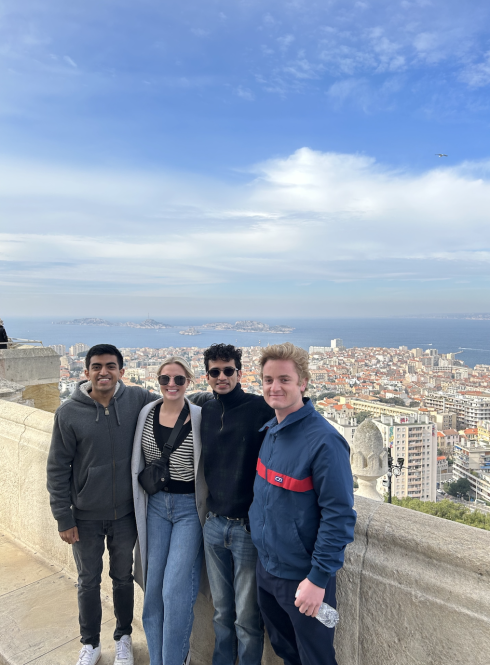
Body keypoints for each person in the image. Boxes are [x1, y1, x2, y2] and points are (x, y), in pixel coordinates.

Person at [47, 343, 159, 665]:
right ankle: (90, 643)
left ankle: (123, 636)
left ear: (121, 372)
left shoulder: (136, 399)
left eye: (110, 366)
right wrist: (63, 517)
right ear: (87, 372)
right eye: (96, 366)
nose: (103, 372)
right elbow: (57, 468)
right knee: (88, 581)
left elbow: (173, 403)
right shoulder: (69, 413)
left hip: (126, 514)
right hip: (84, 517)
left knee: (123, 578)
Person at [249, 343, 356, 665]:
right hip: (267, 568)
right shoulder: (272, 430)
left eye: (284, 379)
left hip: (303, 577)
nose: (274, 387)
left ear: (303, 383)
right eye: (268, 380)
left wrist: (318, 579)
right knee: (286, 651)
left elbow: (339, 516)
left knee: (316, 657)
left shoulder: (324, 441)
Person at [200, 343, 274, 665]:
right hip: (213, 524)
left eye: (228, 370)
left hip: (245, 527)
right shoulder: (204, 409)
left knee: (246, 618)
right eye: (215, 372)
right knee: (221, 613)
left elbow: (294, 415)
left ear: (239, 373)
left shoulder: (259, 408)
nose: (222, 377)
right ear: (207, 376)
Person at [131, 357, 207, 665]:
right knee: (152, 592)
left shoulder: (200, 416)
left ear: (189, 381)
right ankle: (158, 659)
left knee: (175, 591)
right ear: (157, 381)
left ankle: (176, 659)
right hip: (156, 507)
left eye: (178, 380)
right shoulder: (147, 413)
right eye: (165, 379)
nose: (171, 385)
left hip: (189, 508)